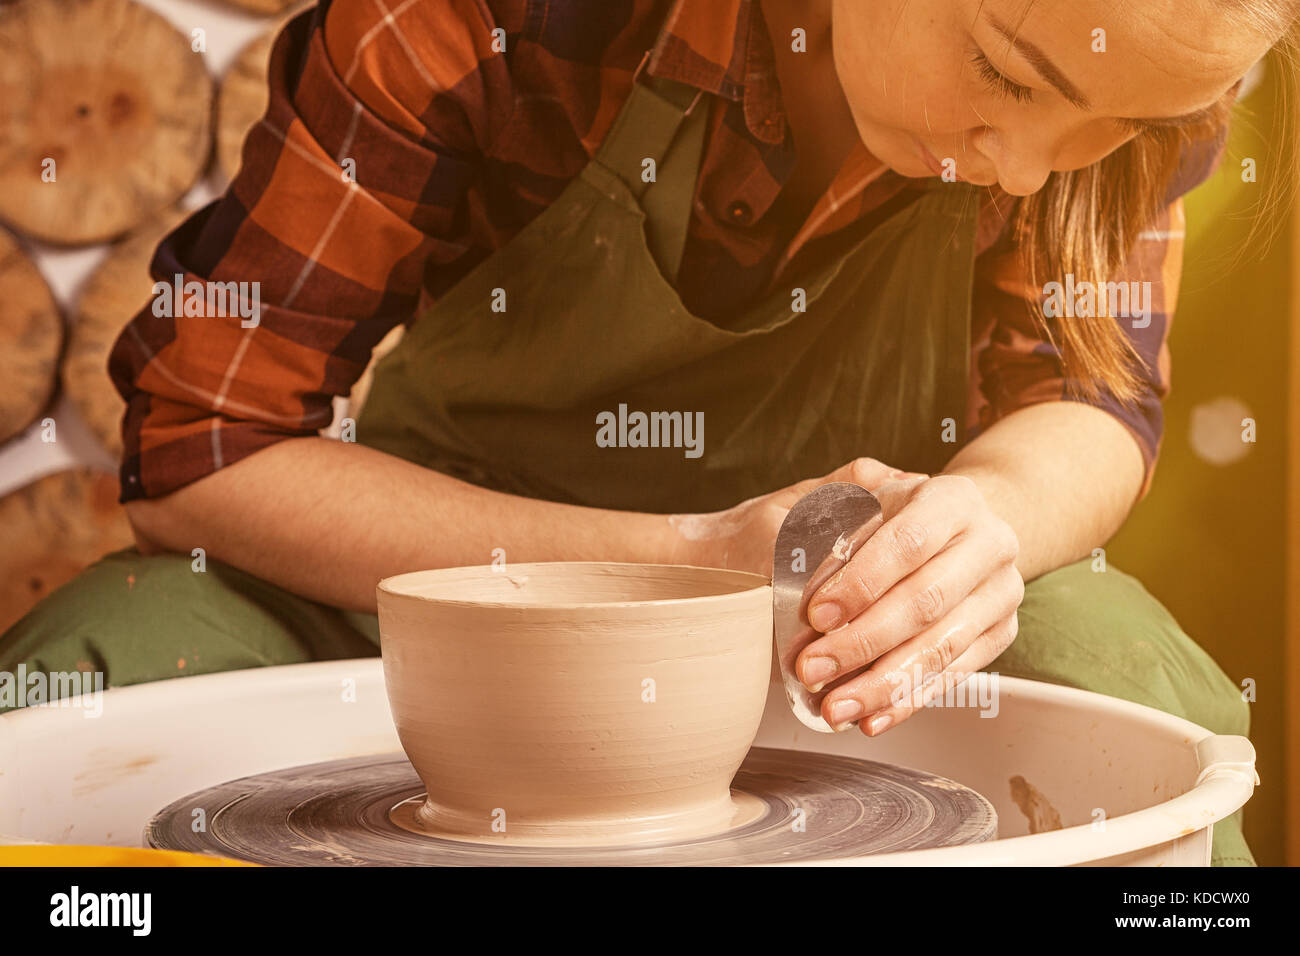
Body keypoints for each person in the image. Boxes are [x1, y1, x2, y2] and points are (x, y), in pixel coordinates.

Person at [6, 0, 1295, 866]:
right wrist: (691, 561)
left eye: (1117, 131)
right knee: (109, 652)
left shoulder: (1149, 48)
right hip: (436, 583)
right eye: (1007, 75)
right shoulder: (477, 21)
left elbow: (1092, 399)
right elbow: (202, 442)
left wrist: (989, 525)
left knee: (1131, 681)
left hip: (844, 611)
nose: (1028, 169)